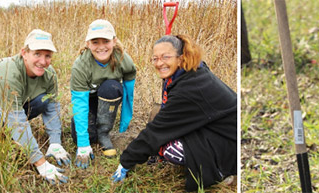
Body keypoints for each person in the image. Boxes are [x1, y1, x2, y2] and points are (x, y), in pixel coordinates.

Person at [111, 35, 237, 191]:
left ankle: (220, 171)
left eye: (166, 57)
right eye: (155, 58)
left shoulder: (190, 88)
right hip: (216, 128)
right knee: (160, 118)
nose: (159, 63)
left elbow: (157, 130)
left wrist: (125, 162)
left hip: (231, 143)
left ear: (180, 58)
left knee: (172, 148)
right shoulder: (190, 72)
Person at [0, 29, 70, 184]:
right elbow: (16, 119)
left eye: (47, 55)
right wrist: (40, 163)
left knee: (45, 100)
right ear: (24, 53)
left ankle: (17, 135)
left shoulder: (49, 74)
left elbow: (52, 106)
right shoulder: (8, 72)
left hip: (16, 103)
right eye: (37, 54)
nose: (43, 61)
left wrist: (55, 142)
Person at [70, 19, 136, 169]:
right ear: (88, 44)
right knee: (86, 137)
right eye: (95, 42)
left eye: (105, 41)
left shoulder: (123, 60)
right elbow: (80, 103)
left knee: (111, 87)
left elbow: (128, 94)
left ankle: (104, 132)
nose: (101, 47)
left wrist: (125, 120)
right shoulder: (80, 65)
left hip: (109, 95)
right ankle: (93, 131)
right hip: (89, 100)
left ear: (114, 41)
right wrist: (83, 143)